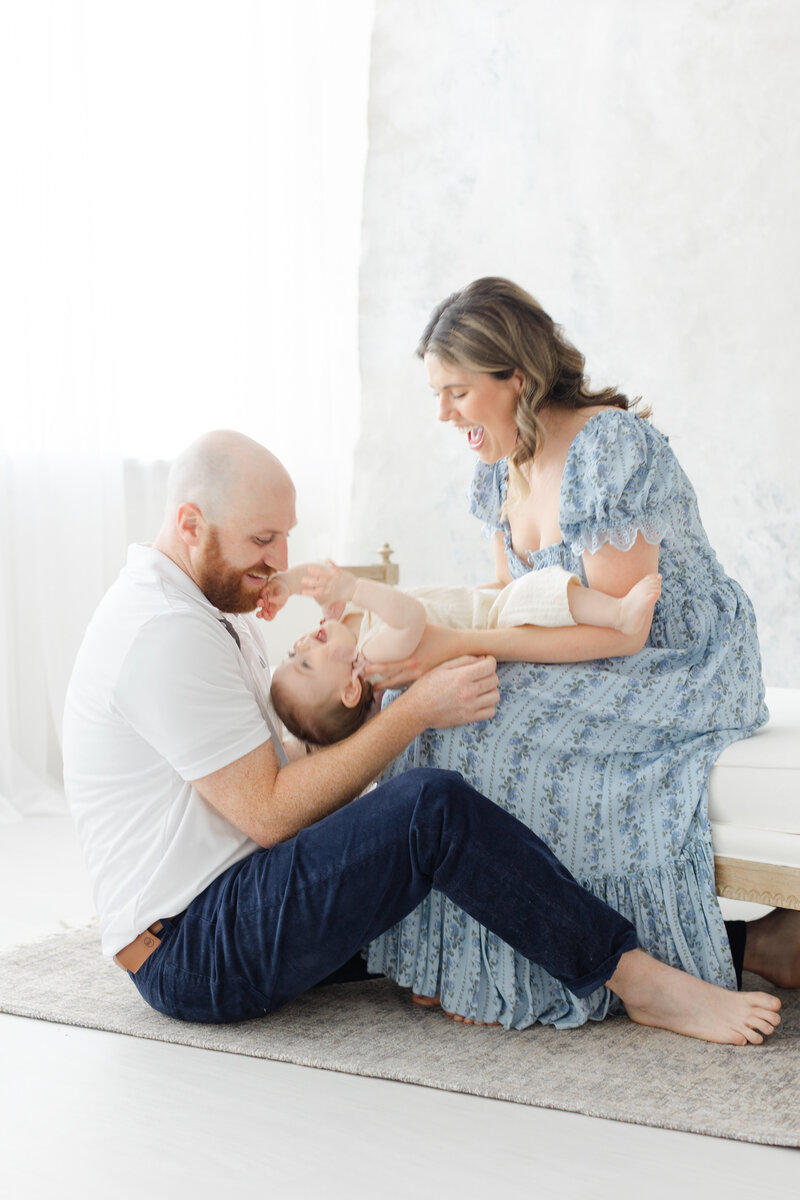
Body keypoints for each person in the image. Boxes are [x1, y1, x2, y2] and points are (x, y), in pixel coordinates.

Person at [61, 429, 781, 1043]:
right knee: (429, 809)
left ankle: (749, 949)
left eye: (284, 534)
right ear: (190, 524)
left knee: (471, 883)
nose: (279, 557)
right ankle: (641, 983)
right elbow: (272, 813)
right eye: (261, 539)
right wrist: (416, 711)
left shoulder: (207, 607)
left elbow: (285, 771)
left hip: (237, 894)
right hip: (194, 947)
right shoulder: (161, 631)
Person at [364, 277, 799, 1029]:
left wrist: (461, 643)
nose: (443, 413)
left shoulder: (608, 448)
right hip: (586, 646)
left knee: (495, 725)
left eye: (457, 392)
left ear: (517, 380)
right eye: (438, 393)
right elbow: (513, 599)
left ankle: (598, 972)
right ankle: (459, 960)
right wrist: (432, 642)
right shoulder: (499, 461)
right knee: (423, 706)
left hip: (676, 660)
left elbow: (623, 631)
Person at [264, 559, 661, 746]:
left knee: (533, 590)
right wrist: (353, 590)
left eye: (289, 651)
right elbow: (410, 618)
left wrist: (287, 582)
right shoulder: (372, 658)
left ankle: (615, 613)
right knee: (539, 592)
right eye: (303, 663)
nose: (300, 644)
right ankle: (619, 614)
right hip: (494, 619)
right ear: (351, 689)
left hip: (483, 599)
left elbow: (320, 576)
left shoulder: (343, 626)